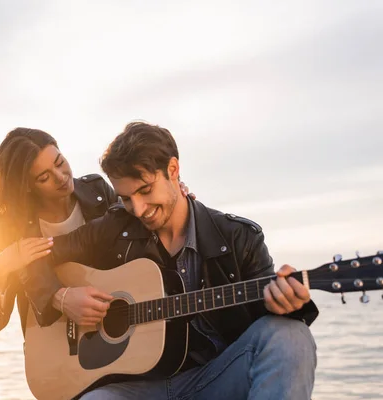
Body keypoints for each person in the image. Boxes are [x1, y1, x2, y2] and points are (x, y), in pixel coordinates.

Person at [22, 122, 319, 400]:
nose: (138, 209)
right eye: (126, 198)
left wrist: (288, 304)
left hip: (214, 379)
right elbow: (33, 257)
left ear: (173, 170)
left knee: (290, 335)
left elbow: (262, 330)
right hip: (134, 389)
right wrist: (61, 297)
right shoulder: (116, 226)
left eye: (145, 190)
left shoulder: (238, 237)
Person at [0, 126, 195, 335]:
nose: (61, 177)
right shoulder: (11, 228)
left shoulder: (97, 190)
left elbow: (137, 222)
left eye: (60, 162)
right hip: (54, 350)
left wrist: (172, 195)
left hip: (116, 336)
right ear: (26, 185)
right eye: (44, 177)